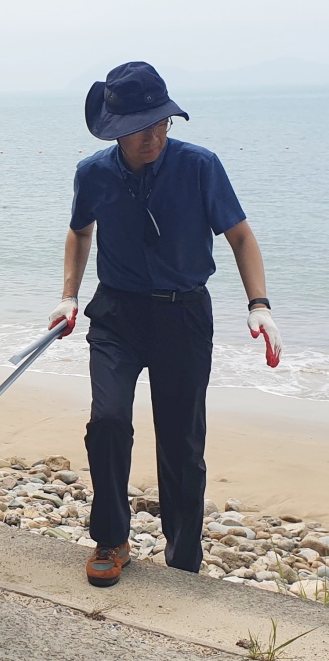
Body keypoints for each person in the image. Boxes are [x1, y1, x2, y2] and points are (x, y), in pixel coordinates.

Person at [47, 61, 282, 587]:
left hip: (183, 314)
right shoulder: (93, 173)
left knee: (181, 442)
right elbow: (79, 233)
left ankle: (183, 560)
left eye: (162, 123)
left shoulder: (200, 167)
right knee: (107, 421)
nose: (152, 135)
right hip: (117, 315)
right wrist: (68, 296)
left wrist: (259, 304)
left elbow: (241, 237)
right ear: (116, 128)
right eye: (140, 126)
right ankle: (111, 539)